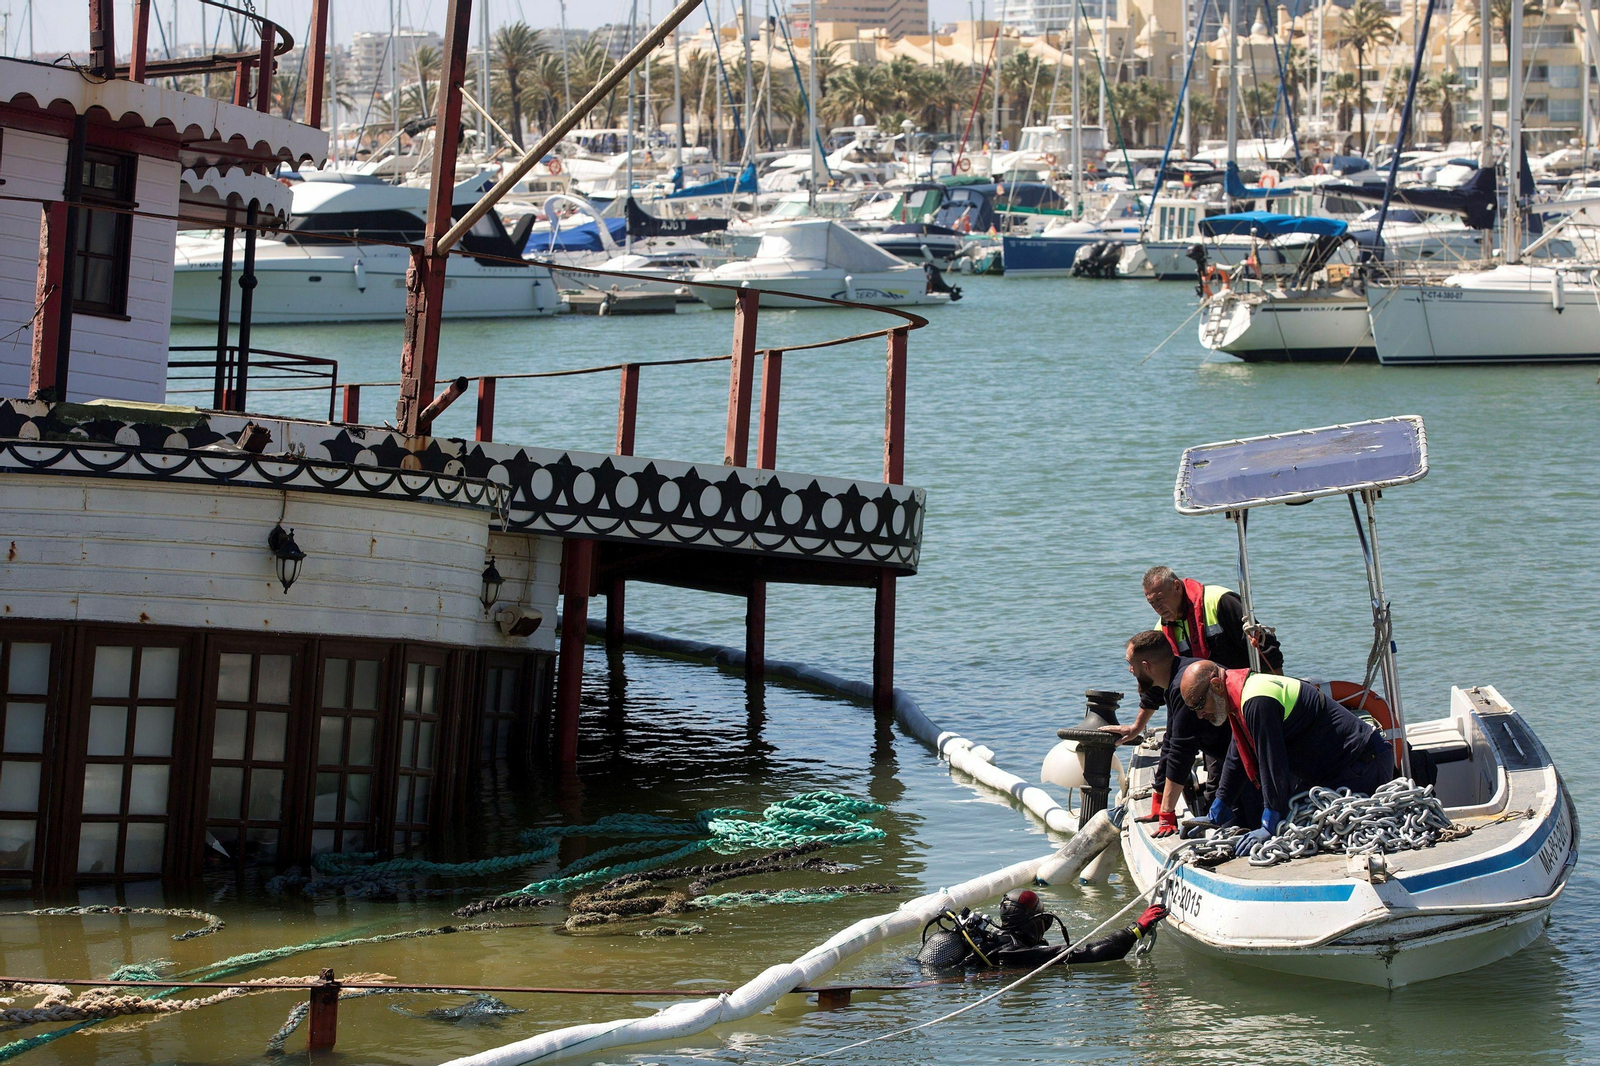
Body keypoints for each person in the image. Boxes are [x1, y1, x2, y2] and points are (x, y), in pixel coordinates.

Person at [1181, 661, 1395, 857]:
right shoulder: (1242, 695)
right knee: (1299, 825)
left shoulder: (1257, 700)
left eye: (1199, 705)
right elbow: (1236, 755)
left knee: (1335, 839)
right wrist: (1217, 811)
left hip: (1362, 763)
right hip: (1334, 772)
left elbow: (1273, 766)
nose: (1200, 715)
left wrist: (1269, 824)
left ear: (1217, 685)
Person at [1105, 631, 1254, 838]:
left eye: (1132, 664)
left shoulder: (1186, 686)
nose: (1130, 670)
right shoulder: (1174, 678)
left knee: (1244, 826)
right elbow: (1171, 741)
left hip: (1248, 763)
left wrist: (1167, 814)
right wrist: (1158, 800)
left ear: (1146, 666)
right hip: (1231, 756)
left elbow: (1182, 753)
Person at [917, 889, 1168, 969]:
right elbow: (1088, 954)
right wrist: (1136, 929)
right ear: (1038, 922)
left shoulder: (992, 940)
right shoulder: (1016, 952)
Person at [1142, 565, 1283, 672]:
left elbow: (1264, 647)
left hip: (1244, 687)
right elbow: (1160, 680)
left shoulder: (1220, 600)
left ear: (1177, 587)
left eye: (1160, 599)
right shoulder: (1161, 630)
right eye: (1152, 602)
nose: (1157, 607)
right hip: (1206, 701)